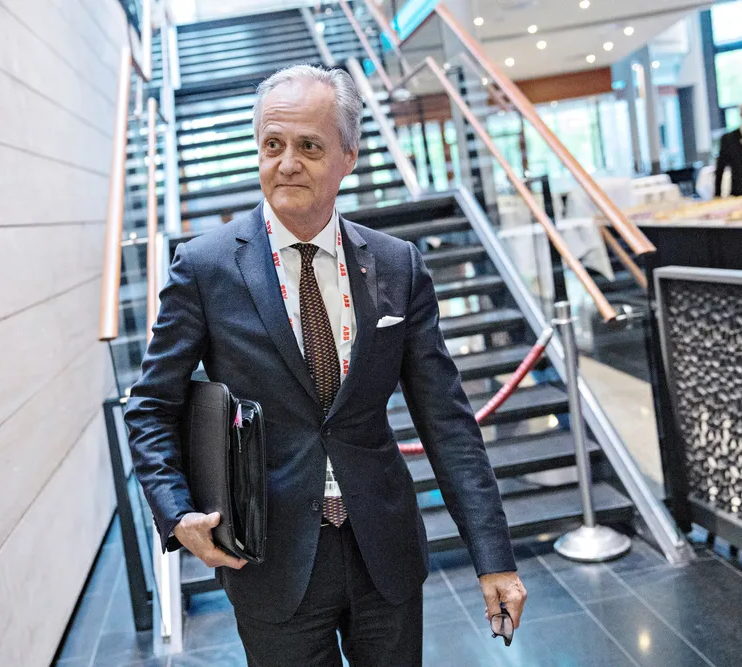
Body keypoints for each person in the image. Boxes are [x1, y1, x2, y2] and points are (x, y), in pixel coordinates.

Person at [125, 64, 526, 666]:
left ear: (348, 157)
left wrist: (493, 557)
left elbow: (447, 421)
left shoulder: (397, 266)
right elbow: (151, 406)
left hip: (383, 553)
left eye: (309, 147)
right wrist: (177, 510)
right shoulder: (205, 268)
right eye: (272, 145)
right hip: (269, 559)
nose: (287, 163)